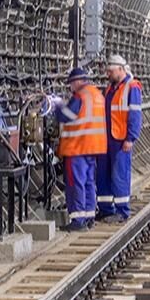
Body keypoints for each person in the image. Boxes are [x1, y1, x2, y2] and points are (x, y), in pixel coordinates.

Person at [56, 67, 105, 231]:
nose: (70, 88)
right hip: (93, 146)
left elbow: (67, 116)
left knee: (75, 183)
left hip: (77, 146)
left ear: (77, 82)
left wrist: (58, 106)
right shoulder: (97, 94)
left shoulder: (80, 96)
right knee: (89, 182)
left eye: (70, 84)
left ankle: (78, 221)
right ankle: (89, 216)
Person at [96, 54, 143, 222]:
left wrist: (131, 138)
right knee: (103, 175)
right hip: (106, 138)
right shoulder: (110, 88)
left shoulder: (132, 87)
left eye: (111, 71)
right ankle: (106, 209)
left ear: (121, 69)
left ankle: (122, 211)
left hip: (120, 139)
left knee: (119, 175)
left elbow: (135, 115)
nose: (108, 74)